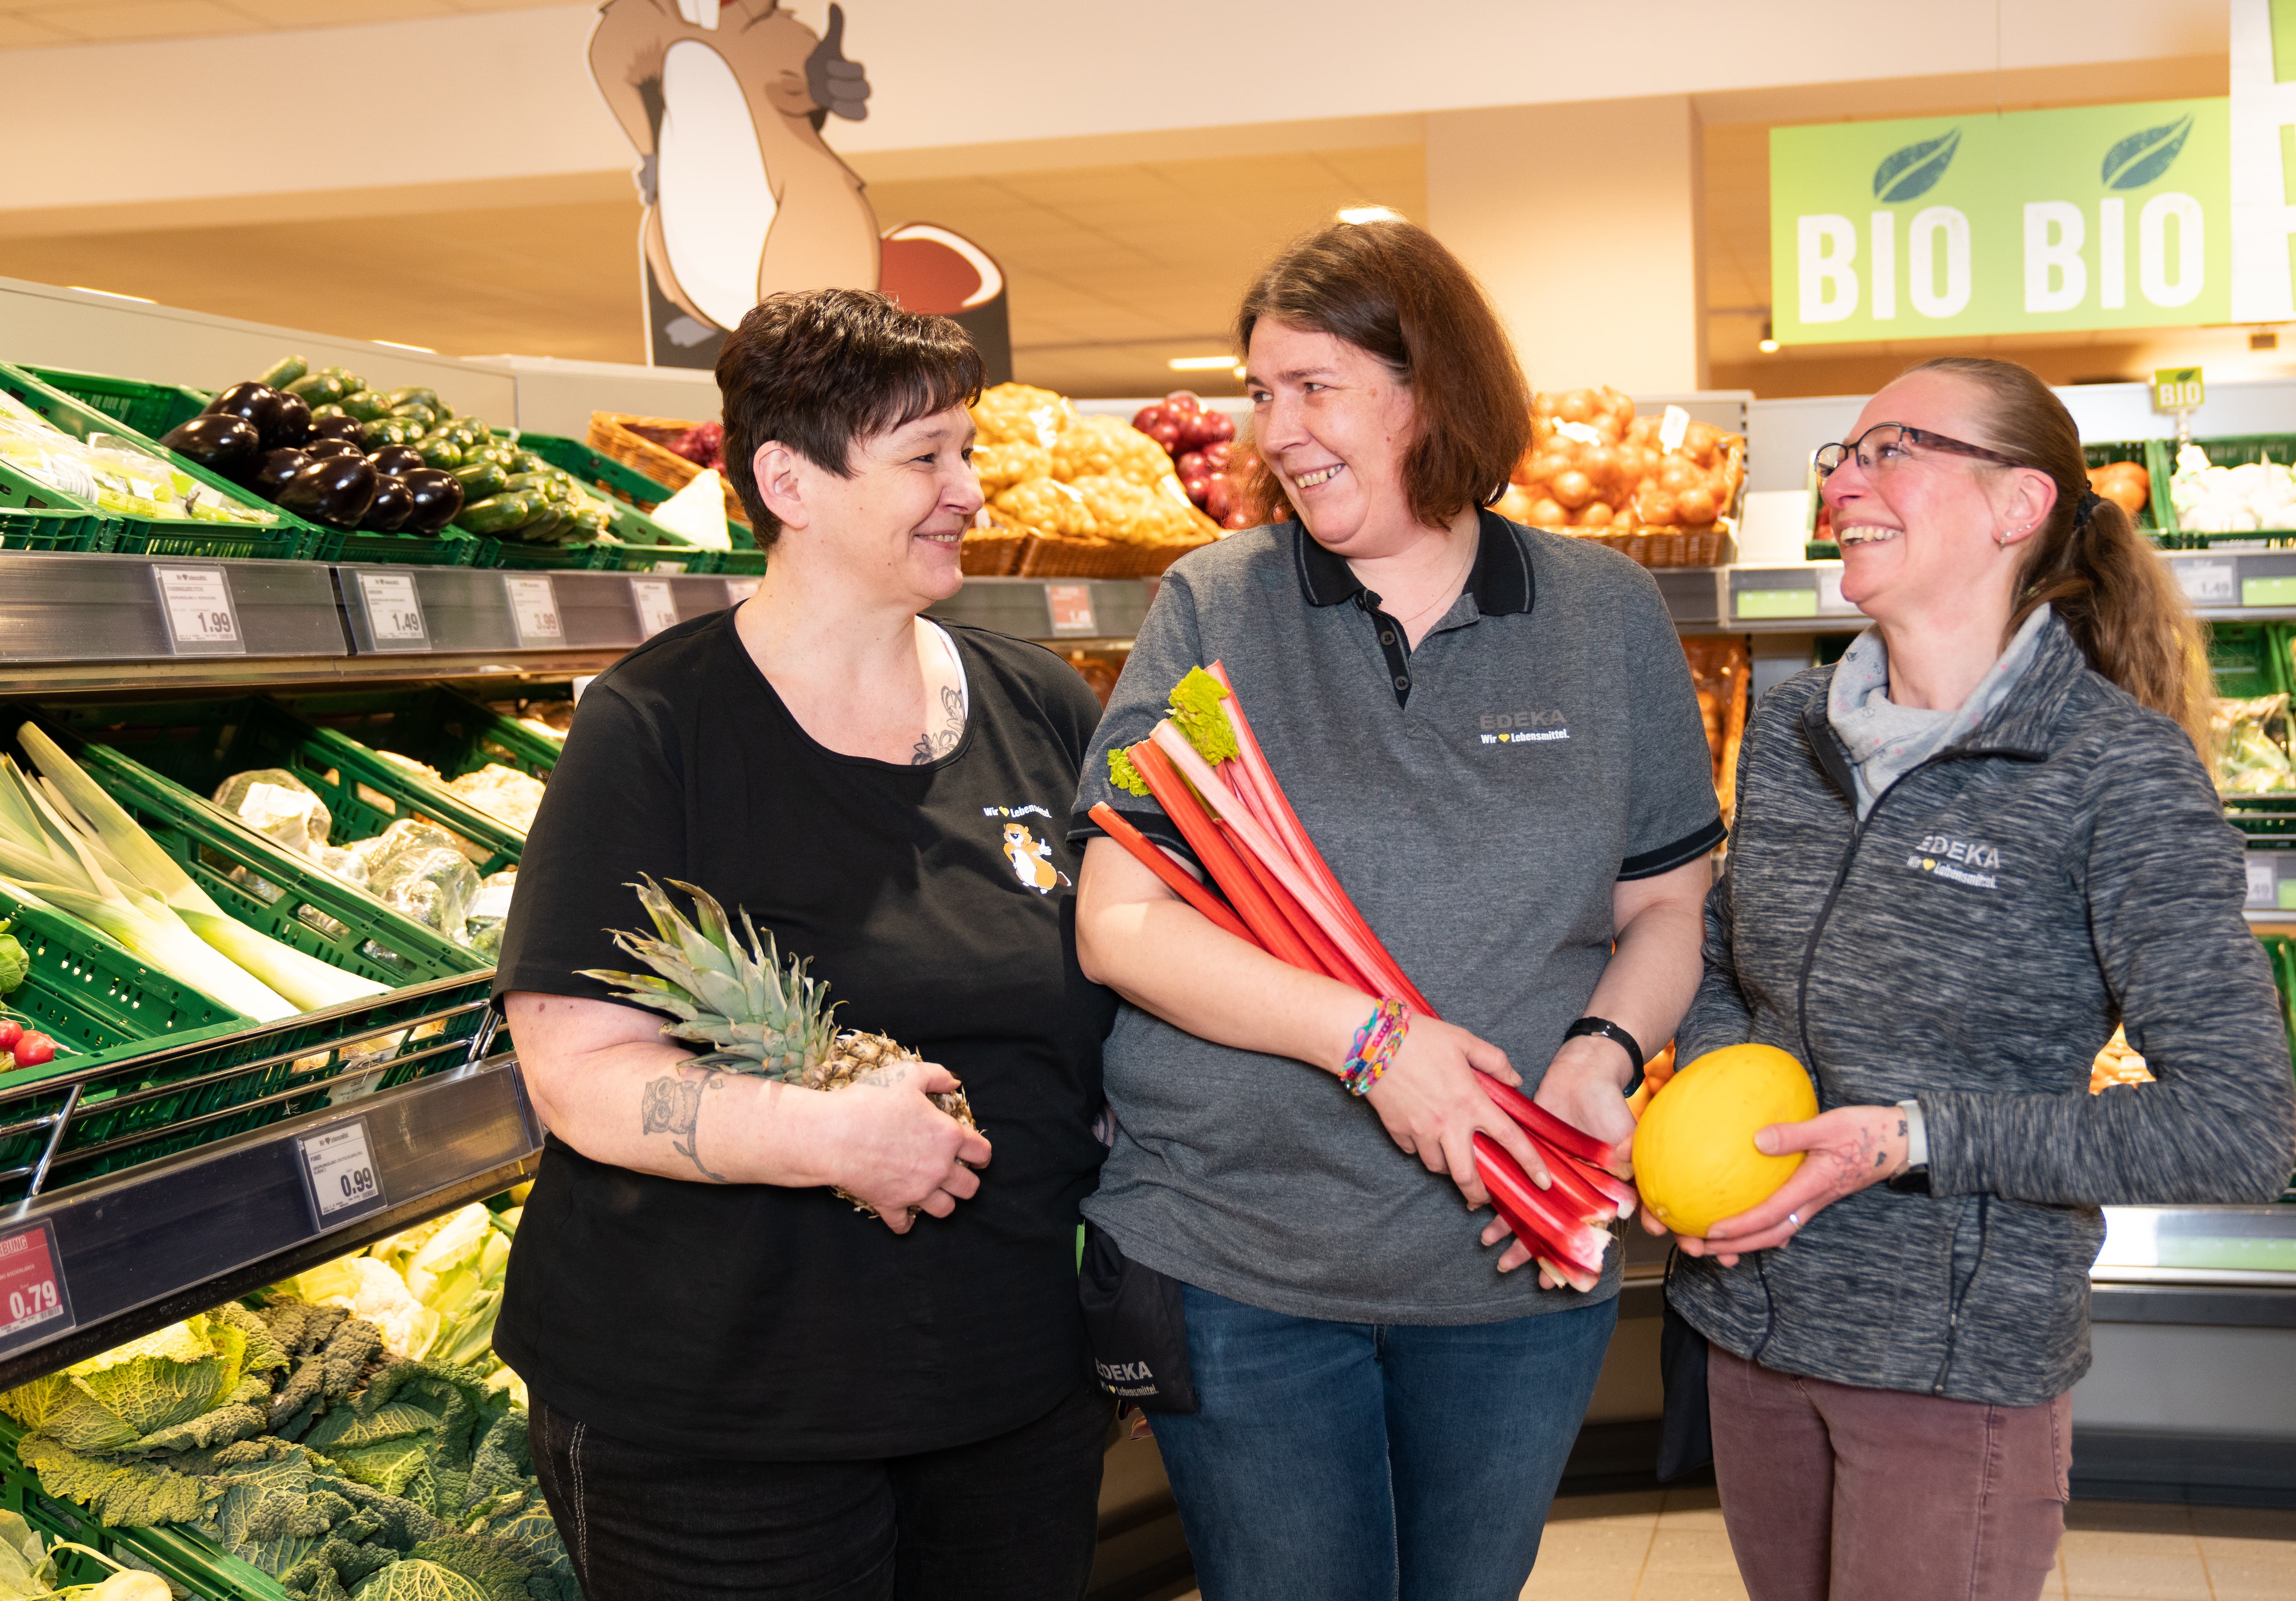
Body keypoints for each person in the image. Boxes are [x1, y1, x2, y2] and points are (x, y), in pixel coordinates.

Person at [1071, 217, 1725, 1601]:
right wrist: (1373, 1044)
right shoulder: (1214, 605)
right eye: (1260, 394)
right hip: (1239, 1251)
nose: (1278, 431)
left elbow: (1669, 902)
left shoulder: (1602, 615)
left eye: (1315, 388)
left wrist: (1604, 1060)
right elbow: (1119, 923)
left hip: (1509, 1260)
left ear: (1430, 388)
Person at [494, 289, 1118, 1601]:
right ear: (788, 479)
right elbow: (577, 1069)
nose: (970, 487)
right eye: (926, 458)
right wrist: (827, 1136)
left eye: (967, 448)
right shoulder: (654, 730)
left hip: (1007, 1392)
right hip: (720, 1415)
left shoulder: (1041, 705)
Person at [1659, 356, 2296, 1601]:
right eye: (1840, 456)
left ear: (2017, 506)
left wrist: (1908, 1139)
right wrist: (1713, 1104)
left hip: (1949, 1372)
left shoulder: (2117, 775)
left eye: (1892, 447)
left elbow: (2236, 1128)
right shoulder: (1793, 735)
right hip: (1748, 1328)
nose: (1843, 479)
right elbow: (1726, 956)